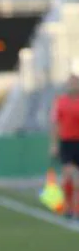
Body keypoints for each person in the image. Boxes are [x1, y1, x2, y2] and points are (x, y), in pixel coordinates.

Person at [50, 73, 79, 219]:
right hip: (67, 143)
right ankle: (69, 207)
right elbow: (56, 124)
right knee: (68, 175)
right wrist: (54, 144)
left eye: (75, 83)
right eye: (70, 83)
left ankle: (76, 208)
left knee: (77, 180)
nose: (72, 85)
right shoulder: (61, 102)